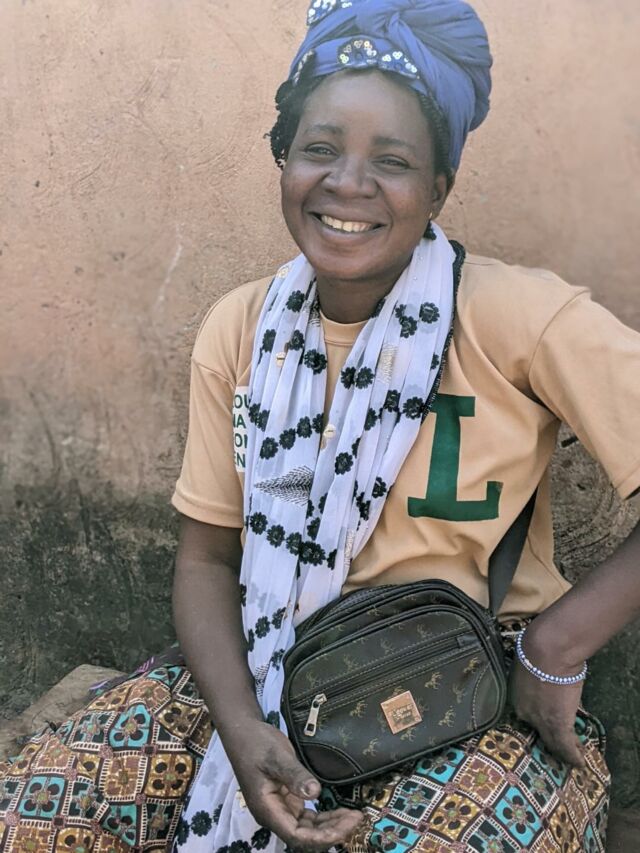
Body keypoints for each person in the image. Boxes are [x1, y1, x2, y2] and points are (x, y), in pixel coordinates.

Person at [0, 1, 638, 852]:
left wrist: (556, 646)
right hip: (273, 665)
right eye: (321, 148)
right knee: (35, 816)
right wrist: (242, 732)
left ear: (439, 186)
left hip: (471, 684)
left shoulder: (516, 318)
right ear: (284, 159)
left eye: (393, 161)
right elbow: (206, 558)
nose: (349, 184)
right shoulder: (241, 331)